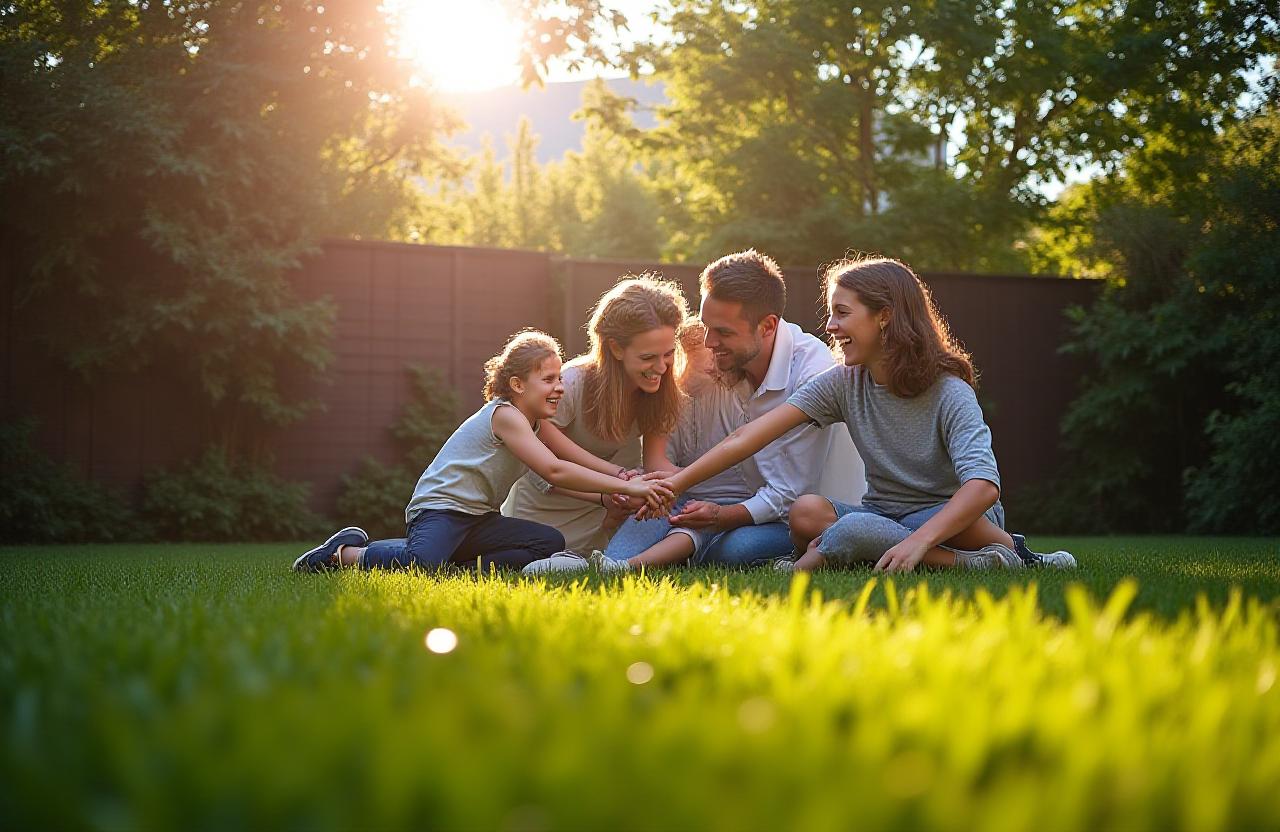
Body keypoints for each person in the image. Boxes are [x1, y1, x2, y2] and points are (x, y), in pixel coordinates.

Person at [652, 255, 1077, 573]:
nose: (831, 326)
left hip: (950, 516)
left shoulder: (950, 391)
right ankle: (982, 561)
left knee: (875, 532)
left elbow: (984, 487)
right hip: (880, 513)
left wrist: (920, 540)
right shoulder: (844, 383)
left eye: (842, 313)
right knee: (807, 512)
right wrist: (676, 483)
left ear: (885, 317)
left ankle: (976, 555)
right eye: (830, 313)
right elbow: (748, 438)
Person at [291, 330, 673, 573]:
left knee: (547, 544)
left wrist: (607, 498)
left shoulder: (534, 425)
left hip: (478, 519)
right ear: (517, 384)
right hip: (441, 510)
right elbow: (556, 470)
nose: (559, 388)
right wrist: (632, 486)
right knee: (421, 561)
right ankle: (342, 554)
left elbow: (548, 482)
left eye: (560, 378)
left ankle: (453, 566)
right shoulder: (506, 416)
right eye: (548, 380)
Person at [501, 276, 688, 554]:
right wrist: (612, 486)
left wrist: (690, 485)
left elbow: (655, 462)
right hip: (544, 515)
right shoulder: (570, 384)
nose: (661, 367)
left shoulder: (660, 390)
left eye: (669, 354)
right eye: (648, 357)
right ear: (615, 348)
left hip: (608, 516)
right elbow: (543, 469)